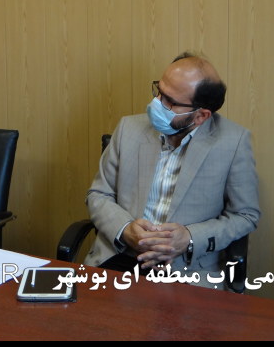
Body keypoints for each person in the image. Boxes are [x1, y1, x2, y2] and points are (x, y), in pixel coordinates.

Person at [85, 52, 260, 287]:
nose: (156, 103)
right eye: (159, 91)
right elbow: (98, 194)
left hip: (187, 271)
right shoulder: (128, 128)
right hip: (121, 257)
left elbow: (245, 215)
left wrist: (190, 238)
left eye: (170, 101)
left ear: (201, 115)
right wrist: (125, 230)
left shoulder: (233, 143)